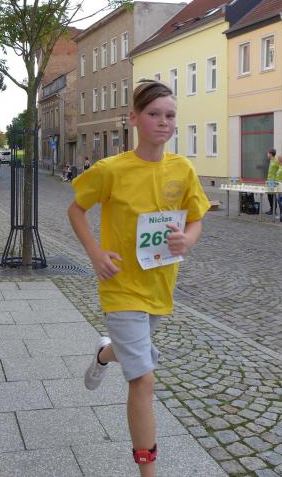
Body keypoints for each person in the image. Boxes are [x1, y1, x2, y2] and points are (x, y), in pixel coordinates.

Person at [68, 80, 209, 476]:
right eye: (153, 114)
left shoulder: (182, 169)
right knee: (143, 379)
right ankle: (148, 471)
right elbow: (76, 210)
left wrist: (187, 240)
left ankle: (104, 353)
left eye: (170, 115)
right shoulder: (111, 170)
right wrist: (95, 253)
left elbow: (196, 219)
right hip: (120, 285)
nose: (163, 122)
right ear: (133, 118)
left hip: (160, 287)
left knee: (133, 352)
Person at [265, 148, 278, 215]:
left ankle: (274, 210)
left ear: (271, 154)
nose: (267, 154)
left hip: (273, 181)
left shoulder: (276, 161)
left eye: (268, 153)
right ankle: (271, 209)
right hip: (269, 180)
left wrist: (277, 177)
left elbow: (280, 168)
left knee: (272, 195)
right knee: (269, 196)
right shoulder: (271, 160)